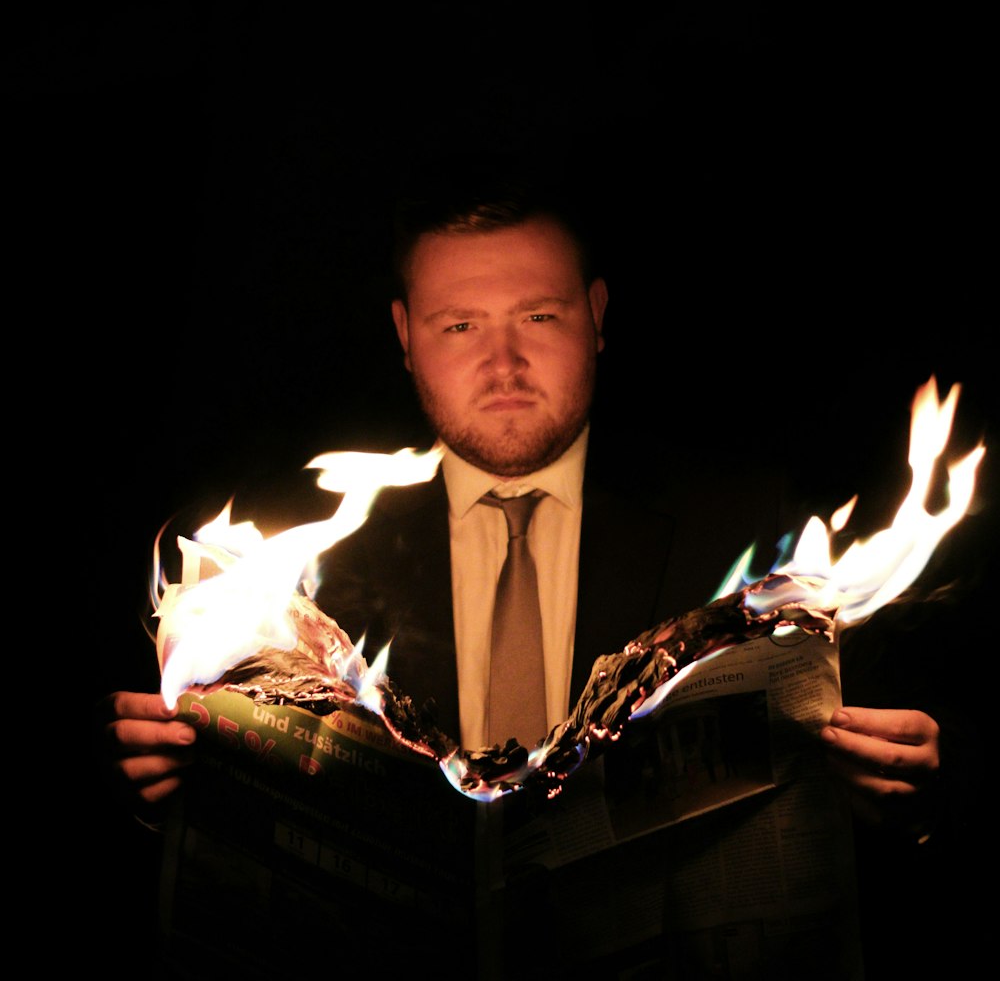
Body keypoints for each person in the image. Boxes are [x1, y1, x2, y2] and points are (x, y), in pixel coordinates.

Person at [100, 165, 971, 974]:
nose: (503, 365)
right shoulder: (288, 556)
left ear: (597, 315)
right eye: (461, 325)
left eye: (540, 317)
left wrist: (914, 797)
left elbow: (894, 812)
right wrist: (167, 794)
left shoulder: (754, 521)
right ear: (406, 335)